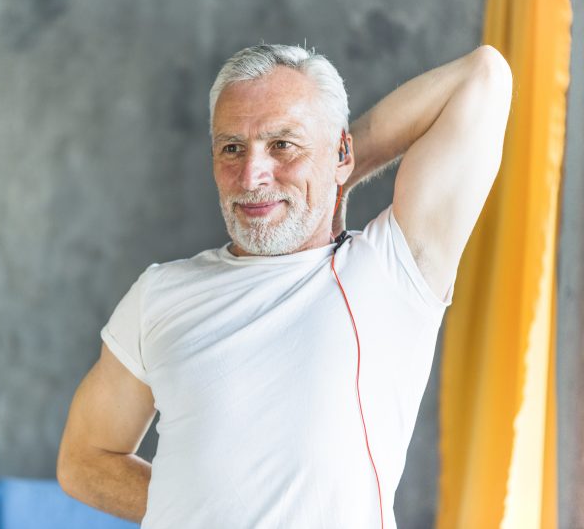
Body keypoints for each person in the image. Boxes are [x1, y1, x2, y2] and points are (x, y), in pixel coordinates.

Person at [56, 42, 512, 528]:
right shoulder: (160, 294)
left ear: (340, 151)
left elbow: (484, 77)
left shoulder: (391, 270)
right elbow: (84, 461)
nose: (252, 176)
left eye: (283, 145)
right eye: (232, 148)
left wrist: (335, 179)